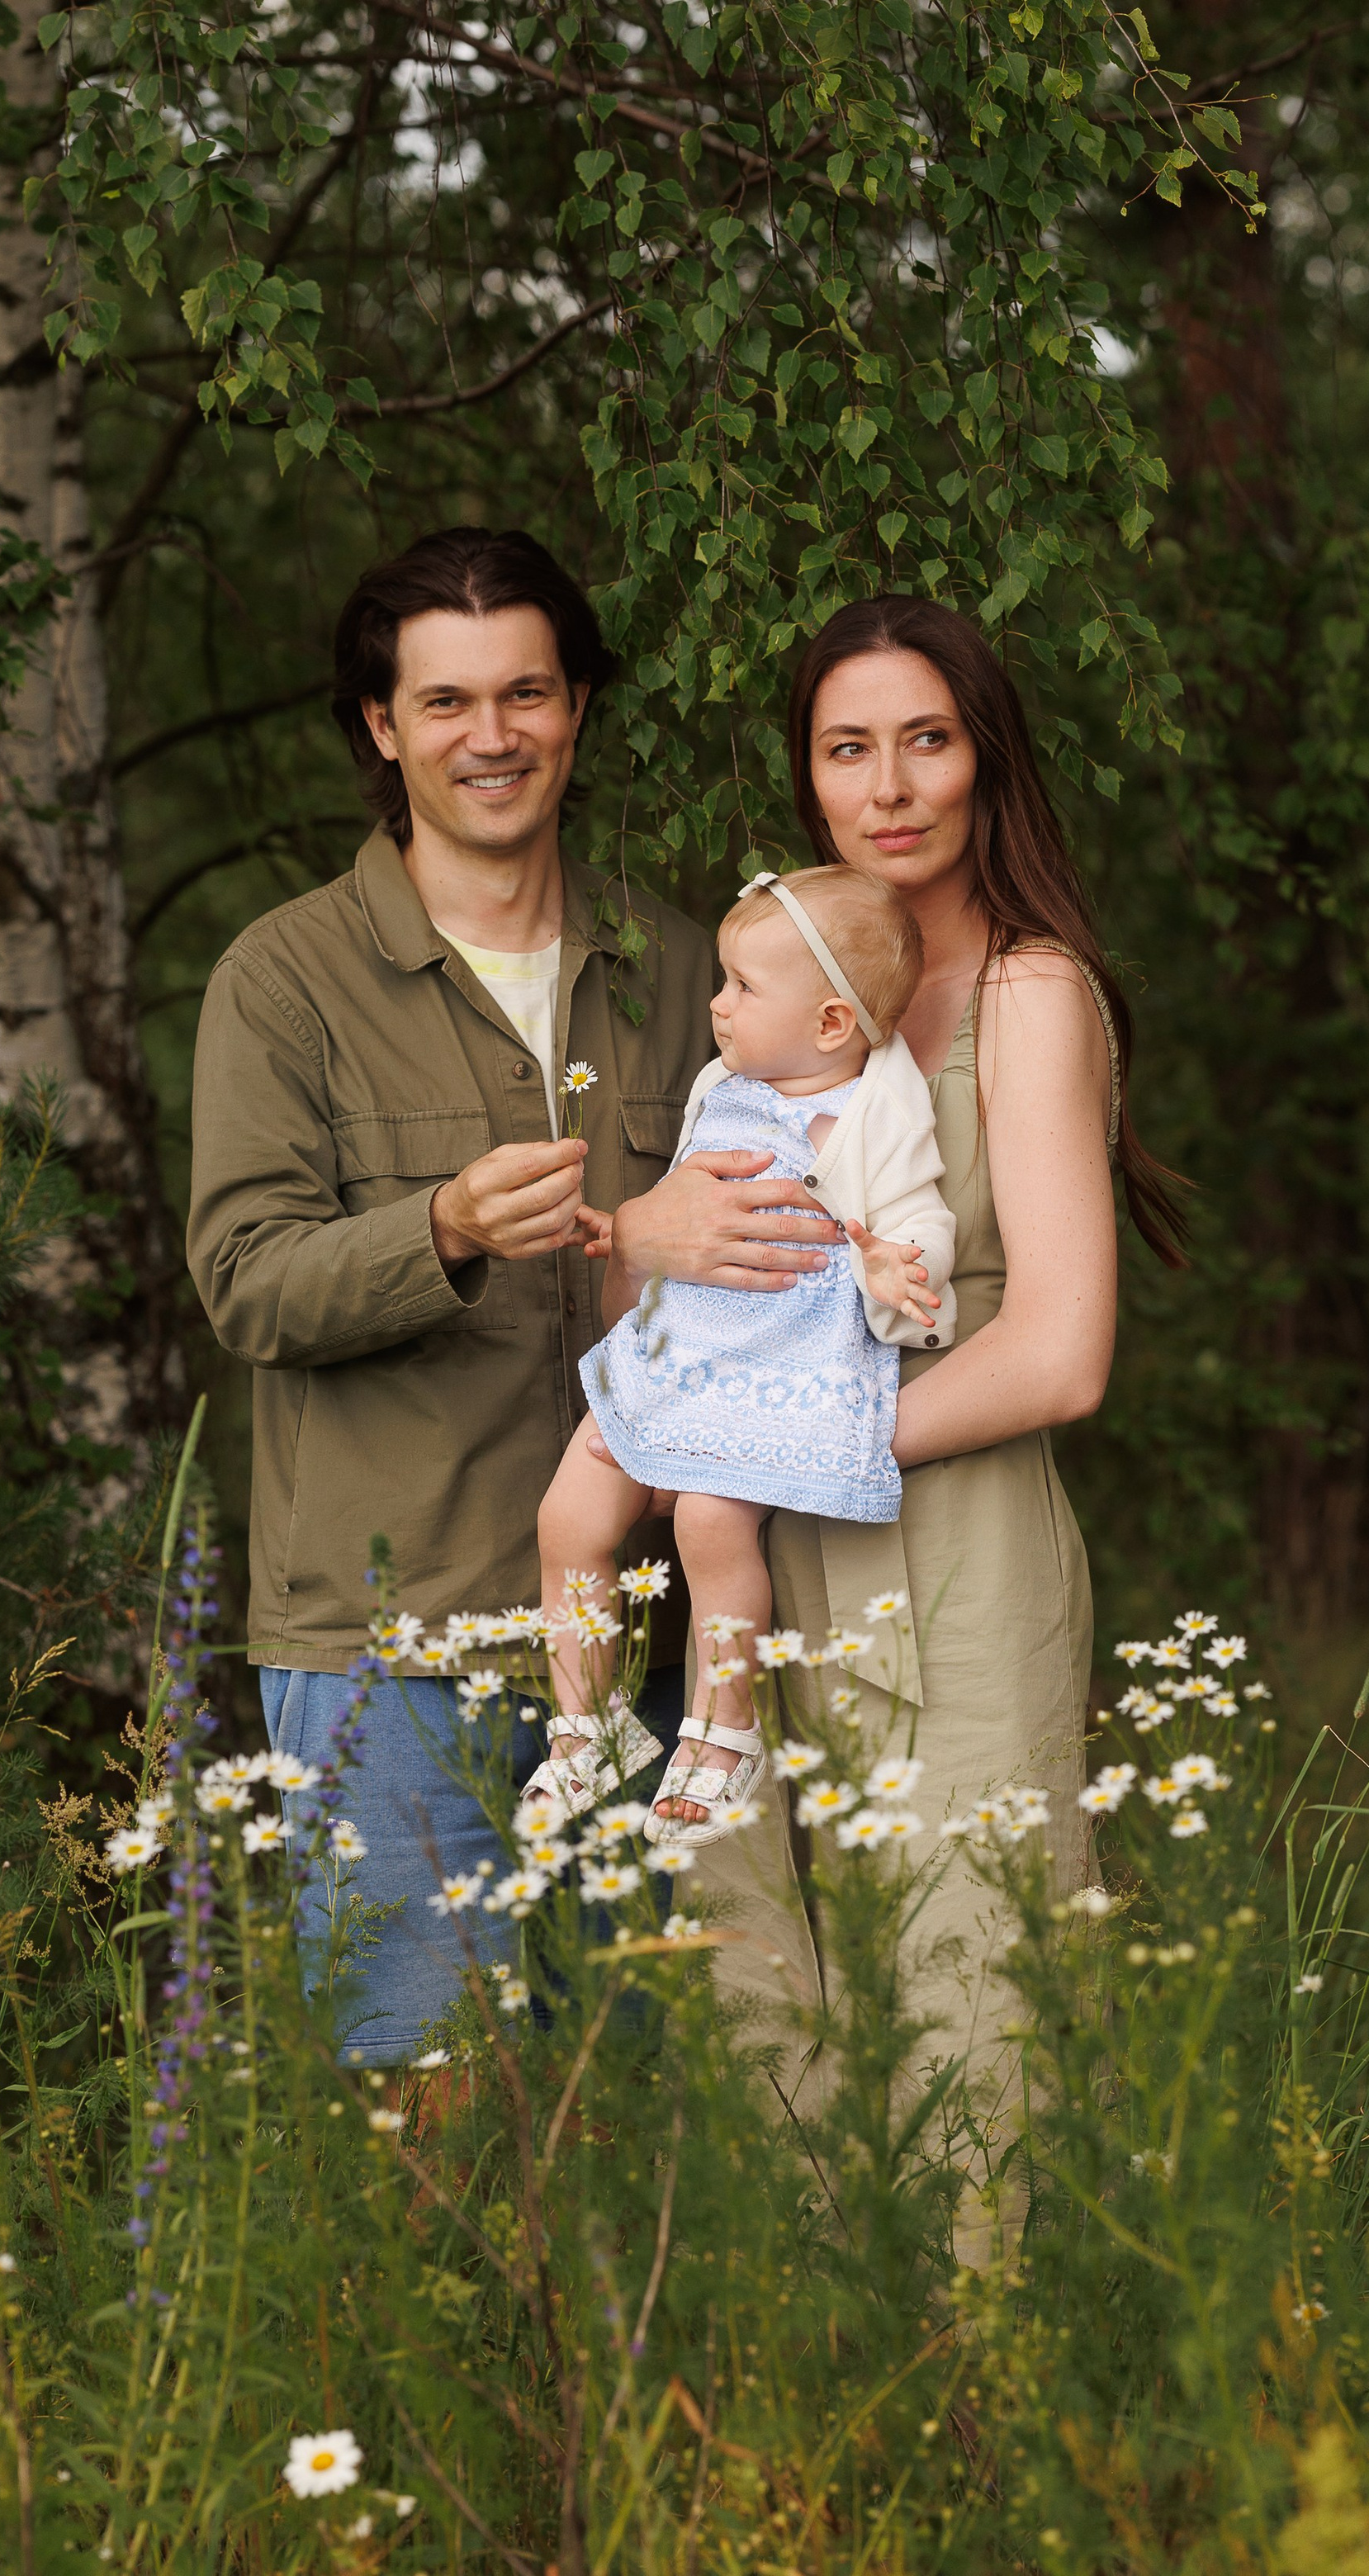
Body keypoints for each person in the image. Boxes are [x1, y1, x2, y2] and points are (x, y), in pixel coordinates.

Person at [185, 528, 835, 2063]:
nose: (493, 737)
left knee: (669, 2133)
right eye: (448, 702)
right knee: (429, 2131)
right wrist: (448, 1225)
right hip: (392, 1653)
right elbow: (247, 1284)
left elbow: (805, 1243)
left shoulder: (690, 970)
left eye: (528, 693)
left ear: (581, 707)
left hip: (663, 1648)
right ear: (382, 726)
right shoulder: (285, 980)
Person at [611, 593, 1187, 2266]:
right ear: (806, 774)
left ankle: (992, 2409)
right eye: (845, 747)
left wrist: (785, 1437)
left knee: (966, 2002)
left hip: (951, 1547)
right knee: (766, 1975)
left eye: (924, 739)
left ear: (983, 755)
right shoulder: (781, 990)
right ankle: (824, 2399)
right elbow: (703, 1260)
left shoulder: (1024, 993)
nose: (889, 785)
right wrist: (646, 1244)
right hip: (766, 1548)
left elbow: (1059, 1353)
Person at [523, 866, 953, 1845]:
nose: (715, 1006)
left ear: (833, 1023)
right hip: (679, 1347)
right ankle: (586, 1725)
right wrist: (635, 1237)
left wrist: (898, 1266)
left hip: (777, 1359)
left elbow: (918, 1214)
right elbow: (688, 1202)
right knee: (568, 1514)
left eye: (742, 988)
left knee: (714, 1526)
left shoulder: (880, 1113)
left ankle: (722, 1732)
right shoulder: (725, 1086)